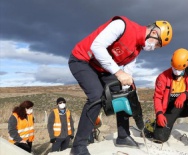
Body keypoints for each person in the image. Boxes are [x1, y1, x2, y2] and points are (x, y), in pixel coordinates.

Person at [68, 15, 172, 154]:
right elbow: (97, 46)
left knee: (124, 94)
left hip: (102, 68)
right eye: (157, 44)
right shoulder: (122, 26)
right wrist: (118, 72)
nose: (154, 48)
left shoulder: (137, 49)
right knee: (97, 97)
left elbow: (128, 73)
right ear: (154, 33)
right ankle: (78, 146)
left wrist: (131, 93)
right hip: (82, 59)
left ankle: (123, 136)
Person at [151, 48, 188, 149]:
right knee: (160, 137)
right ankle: (153, 126)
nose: (177, 71)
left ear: (186, 65)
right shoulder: (162, 77)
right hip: (171, 109)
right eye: (174, 68)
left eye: (179, 69)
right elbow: (157, 97)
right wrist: (159, 113)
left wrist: (185, 94)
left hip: (185, 105)